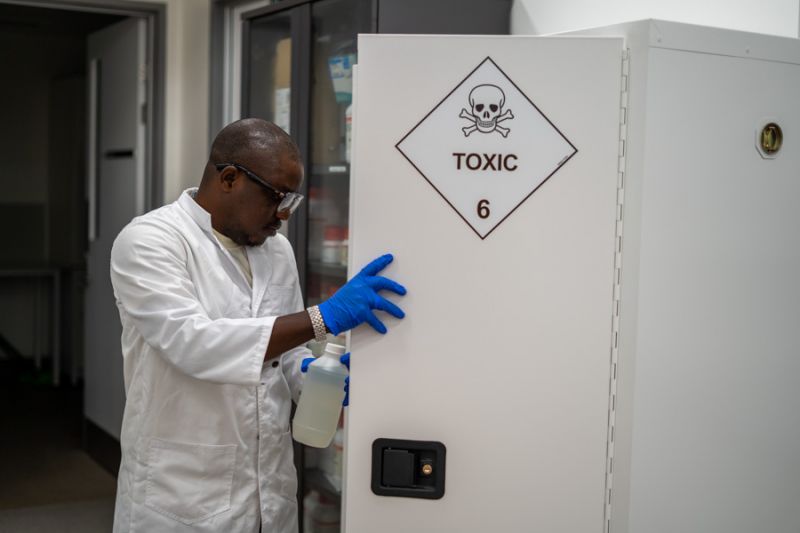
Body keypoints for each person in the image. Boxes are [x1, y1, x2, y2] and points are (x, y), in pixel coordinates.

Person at [109, 118, 405, 533]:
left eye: (291, 201)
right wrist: (324, 317)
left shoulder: (275, 249)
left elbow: (282, 351)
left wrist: (309, 375)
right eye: (277, 197)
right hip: (182, 499)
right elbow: (192, 343)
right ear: (229, 178)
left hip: (269, 492)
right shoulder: (150, 241)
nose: (283, 215)